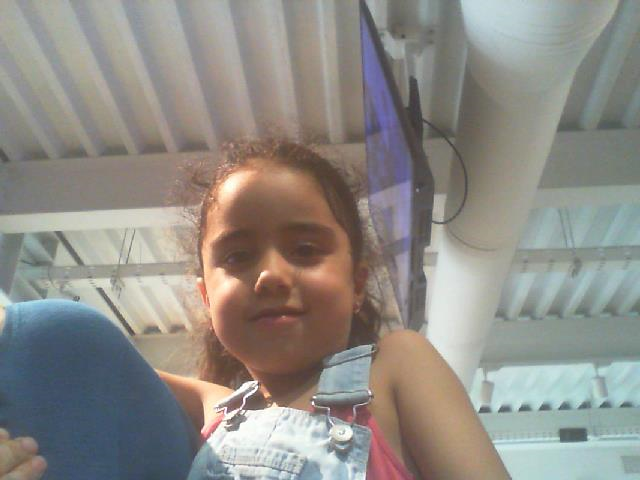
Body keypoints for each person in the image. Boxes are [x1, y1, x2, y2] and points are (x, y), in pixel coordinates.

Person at [0, 138, 510, 479]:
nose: (270, 275)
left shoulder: (396, 366)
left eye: (305, 250)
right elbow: (69, 360)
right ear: (206, 299)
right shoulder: (220, 411)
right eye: (238, 257)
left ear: (357, 284)